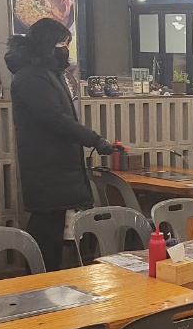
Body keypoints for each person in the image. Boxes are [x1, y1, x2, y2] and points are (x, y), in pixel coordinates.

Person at [7, 18, 118, 270]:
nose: (66, 49)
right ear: (47, 44)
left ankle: (50, 280)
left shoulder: (48, 73)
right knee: (46, 231)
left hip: (57, 166)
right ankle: (40, 282)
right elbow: (54, 118)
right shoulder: (31, 76)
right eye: (62, 44)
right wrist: (94, 139)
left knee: (54, 230)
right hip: (46, 167)